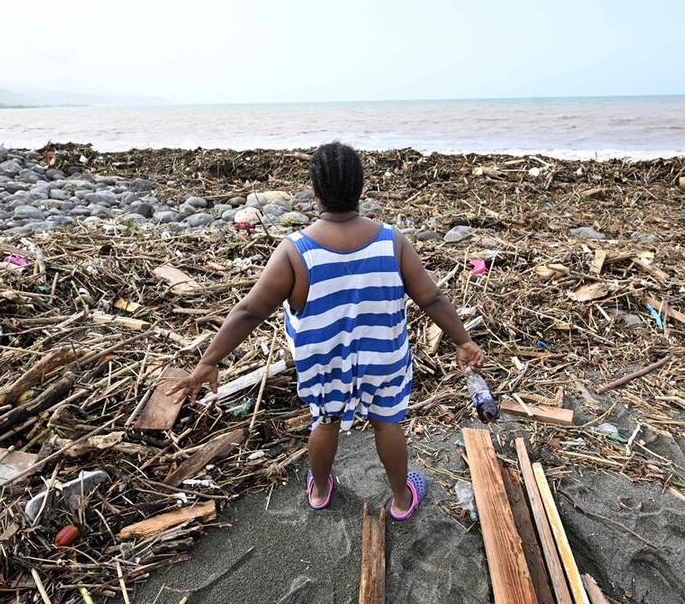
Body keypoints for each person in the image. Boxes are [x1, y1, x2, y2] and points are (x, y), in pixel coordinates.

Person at [168, 142, 482, 520]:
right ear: (360, 187)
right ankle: (401, 498)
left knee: (326, 420)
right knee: (387, 422)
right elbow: (431, 298)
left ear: (315, 191)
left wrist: (208, 361)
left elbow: (250, 310)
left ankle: (319, 489)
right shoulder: (391, 242)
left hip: (325, 361)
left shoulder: (295, 251)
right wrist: (462, 340)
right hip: (383, 357)